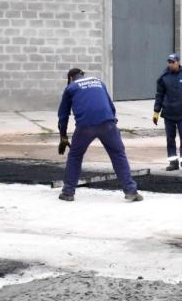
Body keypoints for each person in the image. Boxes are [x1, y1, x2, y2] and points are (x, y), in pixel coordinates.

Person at [58, 68, 143, 202]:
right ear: (82, 75)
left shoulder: (71, 88)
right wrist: (113, 123)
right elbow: (110, 106)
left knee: (75, 156)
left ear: (70, 78)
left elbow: (63, 115)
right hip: (107, 124)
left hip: (85, 126)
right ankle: (131, 191)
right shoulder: (99, 82)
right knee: (118, 154)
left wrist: (63, 136)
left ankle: (68, 192)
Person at [153, 53, 182, 173]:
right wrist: (156, 111)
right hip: (168, 114)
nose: (171, 64)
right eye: (169, 62)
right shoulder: (163, 77)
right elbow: (159, 95)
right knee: (170, 139)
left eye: (173, 62)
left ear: (178, 62)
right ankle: (173, 163)